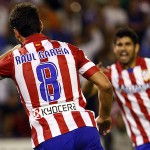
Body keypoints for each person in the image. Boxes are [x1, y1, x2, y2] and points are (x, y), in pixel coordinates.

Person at [0, 3, 113, 150]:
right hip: (84, 130)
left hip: (50, 138)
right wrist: (104, 117)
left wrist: (10, 52)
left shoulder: (14, 59)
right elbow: (105, 85)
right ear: (40, 25)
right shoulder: (70, 49)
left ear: (16, 33)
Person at [83, 27, 150, 150]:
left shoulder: (149, 65)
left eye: (127, 44)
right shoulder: (111, 73)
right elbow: (85, 94)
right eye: (119, 45)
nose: (123, 48)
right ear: (114, 49)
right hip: (142, 140)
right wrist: (91, 78)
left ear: (136, 47)